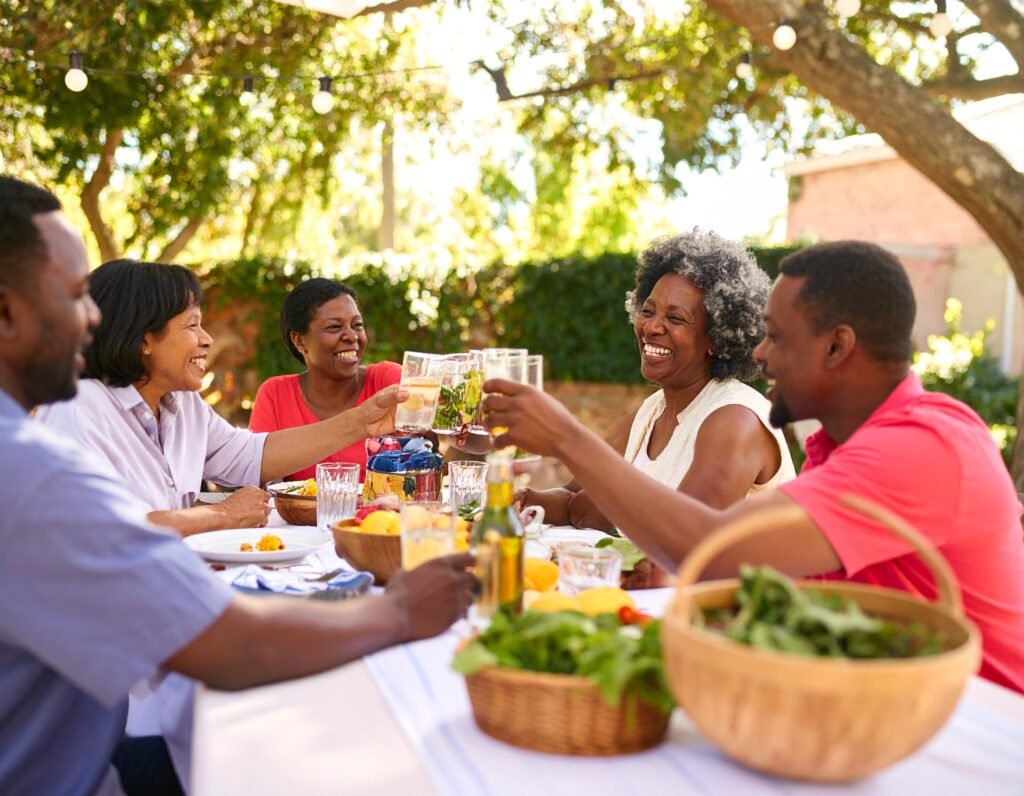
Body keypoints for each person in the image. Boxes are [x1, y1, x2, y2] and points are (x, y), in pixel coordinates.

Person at [0, 176, 476, 795]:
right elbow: (228, 646)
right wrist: (400, 610)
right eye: (71, 296)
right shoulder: (31, 465)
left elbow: (257, 457)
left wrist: (363, 419)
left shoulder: (174, 411)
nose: (89, 317)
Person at [483, 240, 1024, 694]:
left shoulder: (919, 447)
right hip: (881, 705)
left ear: (837, 347)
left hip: (982, 726)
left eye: (777, 336)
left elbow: (711, 551)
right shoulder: (839, 448)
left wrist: (564, 436)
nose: (758, 355)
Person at [35, 260, 404, 536]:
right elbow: (100, 531)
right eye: (192, 324)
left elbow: (251, 456)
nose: (207, 339)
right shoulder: (77, 409)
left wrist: (362, 421)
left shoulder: (182, 406)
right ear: (143, 339)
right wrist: (222, 514)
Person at [518, 231, 794, 531]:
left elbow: (683, 537)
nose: (651, 327)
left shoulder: (736, 419)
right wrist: (522, 499)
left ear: (715, 339)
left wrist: (564, 436)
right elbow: (574, 502)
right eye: (647, 311)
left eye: (675, 319)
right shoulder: (651, 413)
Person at [249, 277, 402, 481]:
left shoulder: (387, 382)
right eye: (334, 327)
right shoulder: (276, 394)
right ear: (299, 340)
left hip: (382, 513)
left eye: (357, 325)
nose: (351, 336)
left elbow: (438, 441)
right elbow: (259, 477)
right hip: (303, 514)